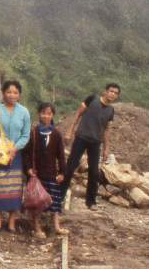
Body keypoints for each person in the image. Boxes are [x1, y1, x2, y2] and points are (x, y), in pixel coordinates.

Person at [0, 79, 31, 232]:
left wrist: (15, 149)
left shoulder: (24, 112)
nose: (12, 95)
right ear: (3, 93)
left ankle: (12, 220)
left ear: (19, 95)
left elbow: (26, 135)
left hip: (15, 156)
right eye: (9, 92)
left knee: (15, 189)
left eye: (15, 92)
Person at [64, 83, 120, 211]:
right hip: (81, 138)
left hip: (96, 142)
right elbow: (78, 115)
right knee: (70, 166)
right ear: (105, 91)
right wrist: (69, 131)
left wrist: (106, 148)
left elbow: (106, 129)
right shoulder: (92, 99)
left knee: (94, 172)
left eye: (116, 93)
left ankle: (91, 201)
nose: (113, 94)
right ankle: (60, 194)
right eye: (111, 91)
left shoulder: (110, 110)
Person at [24, 102, 68, 238]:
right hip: (37, 174)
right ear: (39, 114)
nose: (46, 116)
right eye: (43, 113)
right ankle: (36, 227)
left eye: (49, 113)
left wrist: (62, 172)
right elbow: (26, 153)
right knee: (37, 201)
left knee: (55, 201)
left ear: (52, 115)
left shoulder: (56, 134)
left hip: (51, 173)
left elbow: (61, 155)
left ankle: (56, 226)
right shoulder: (33, 133)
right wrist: (29, 169)